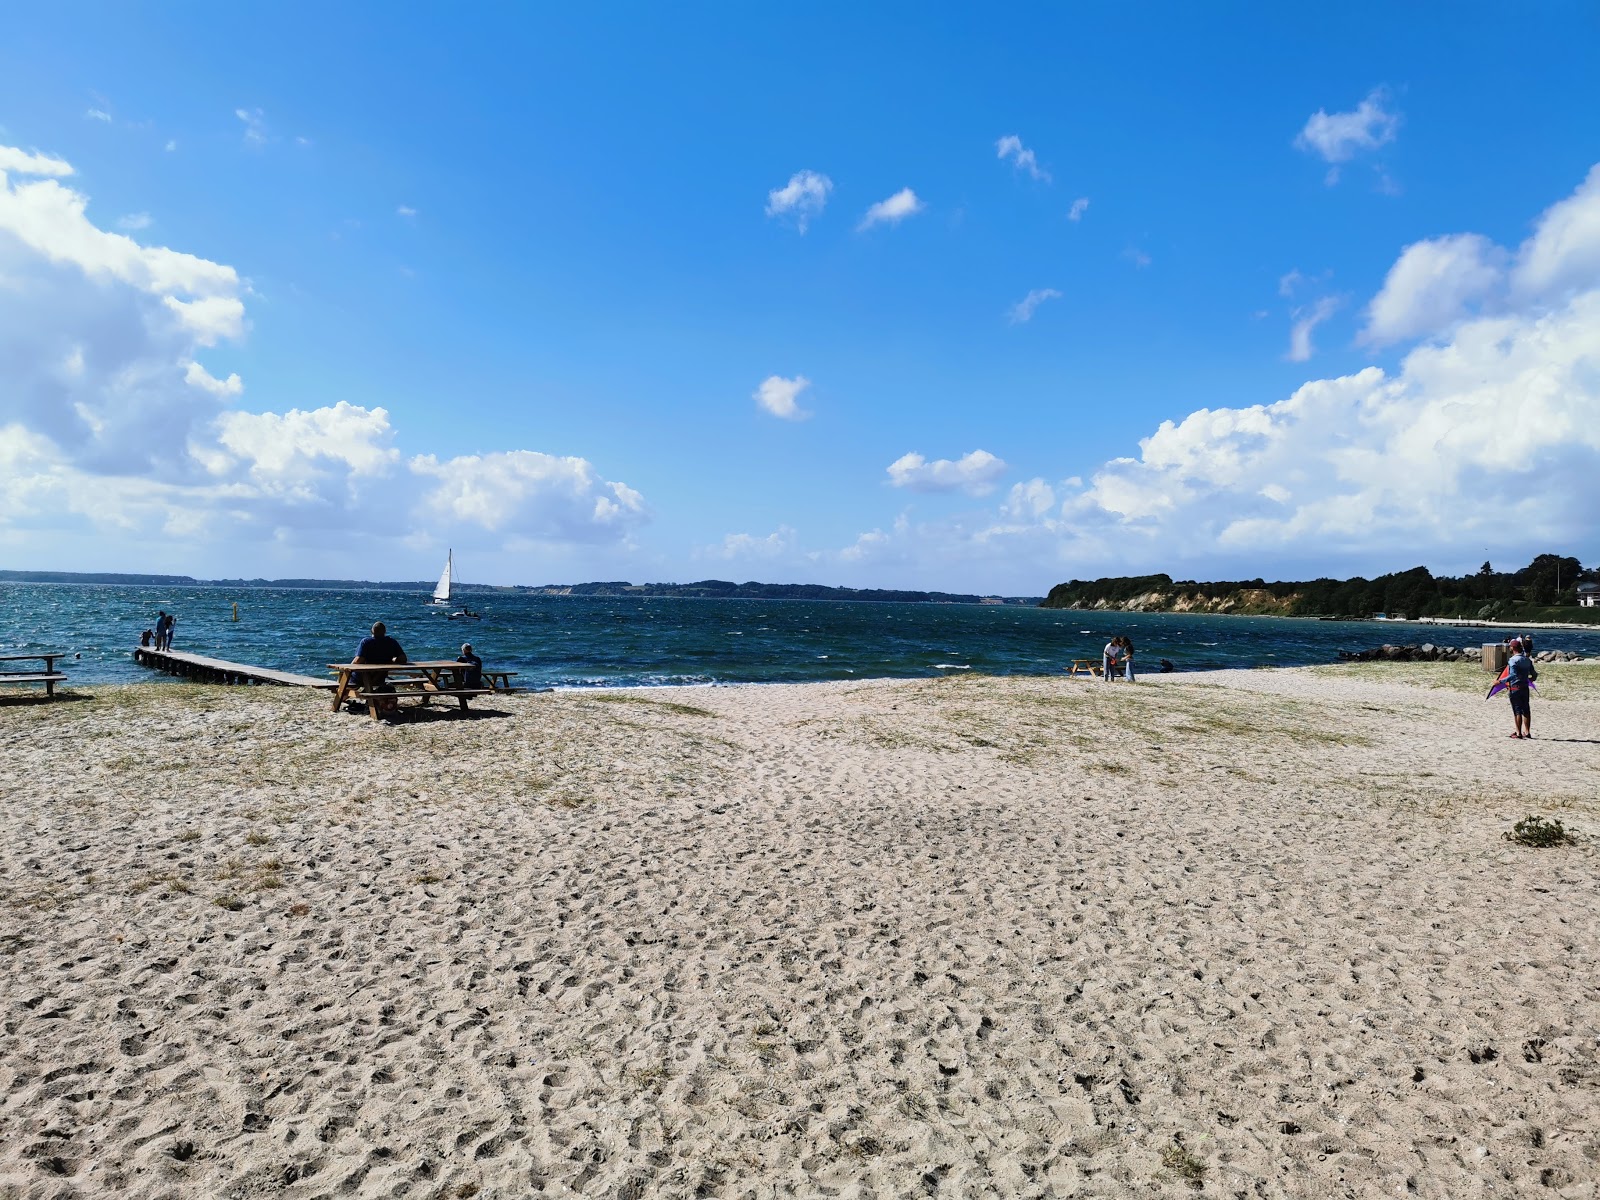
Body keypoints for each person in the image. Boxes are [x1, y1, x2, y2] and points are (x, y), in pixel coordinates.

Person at [353, 621, 408, 718]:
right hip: (380, 677)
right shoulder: (391, 642)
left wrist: (349, 668)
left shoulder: (366, 642)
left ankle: (342, 696)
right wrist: (394, 659)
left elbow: (358, 660)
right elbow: (403, 658)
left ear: (372, 631)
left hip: (363, 678)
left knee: (345, 676)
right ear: (385, 631)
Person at [1505, 636, 1536, 739]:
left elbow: (1512, 675)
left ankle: (1518, 733)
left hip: (1515, 687)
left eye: (1510, 647)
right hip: (1525, 687)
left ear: (1513, 648)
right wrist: (1529, 680)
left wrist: (1500, 681)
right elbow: (1534, 675)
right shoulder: (1527, 660)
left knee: (1517, 710)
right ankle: (1527, 732)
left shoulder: (1513, 660)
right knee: (1526, 709)